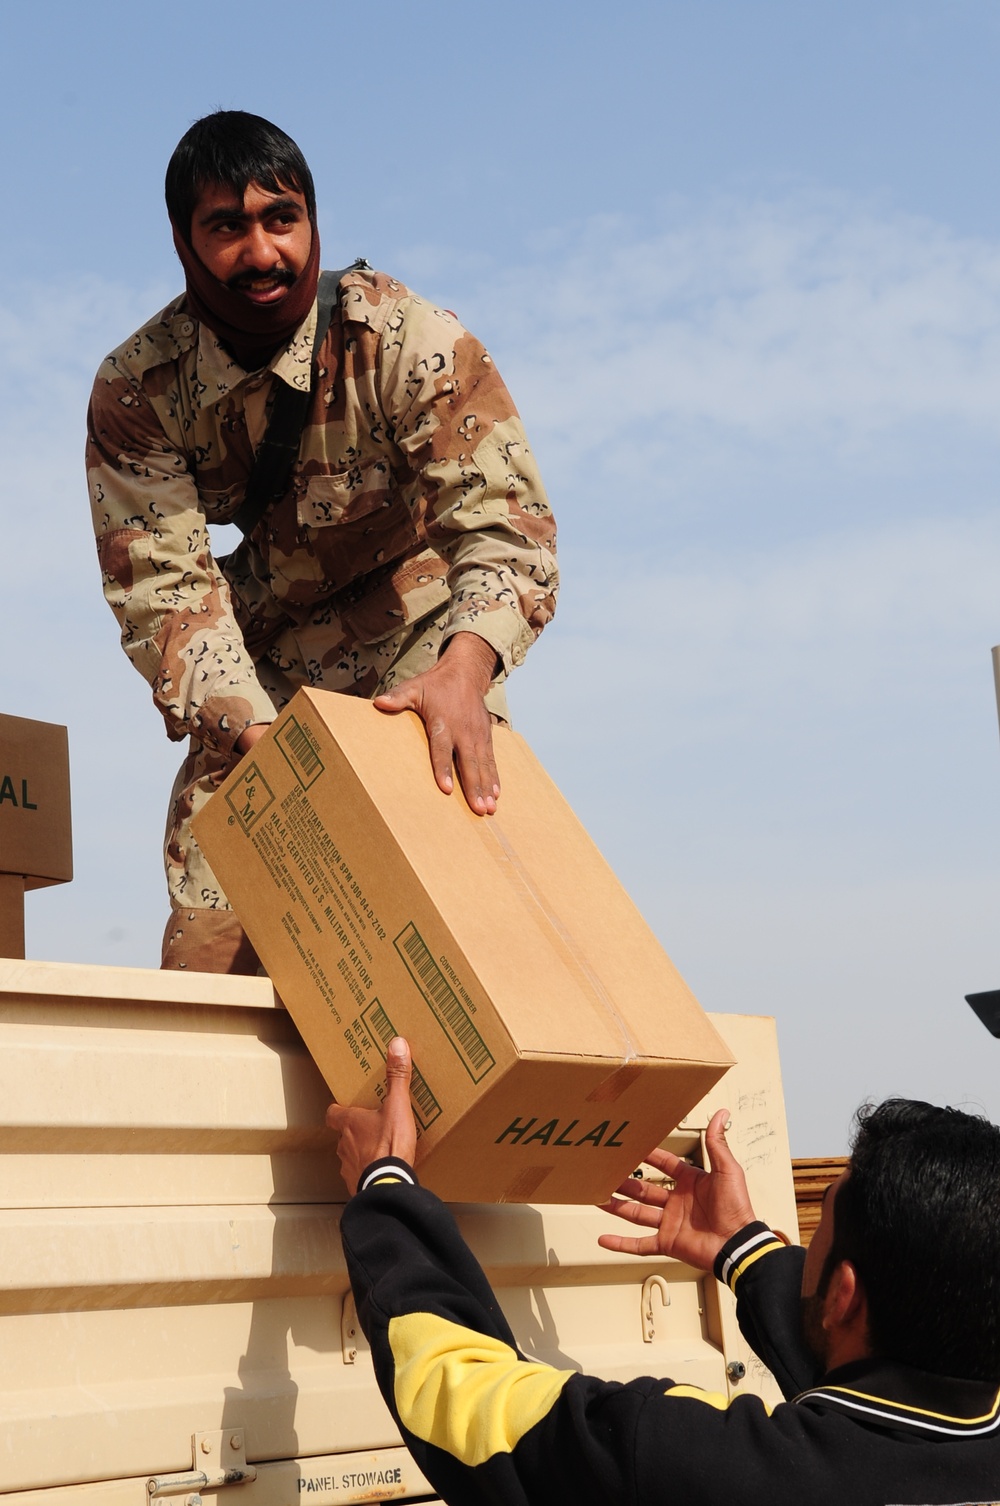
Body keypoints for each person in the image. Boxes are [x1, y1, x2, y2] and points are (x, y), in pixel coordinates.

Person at [86, 111, 558, 975]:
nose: (261, 252)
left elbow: (505, 528)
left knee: (447, 912)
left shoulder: (403, 339)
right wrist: (269, 749)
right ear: (183, 242)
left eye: (281, 219)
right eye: (226, 226)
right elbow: (167, 593)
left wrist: (463, 671)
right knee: (216, 944)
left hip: (414, 634)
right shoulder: (139, 389)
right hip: (261, 662)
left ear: (313, 223)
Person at [330, 1038, 1000, 1506]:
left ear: (845, 1296)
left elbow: (459, 1399)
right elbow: (870, 1399)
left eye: (820, 1229)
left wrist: (386, 1183)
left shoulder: (690, 1461)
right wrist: (742, 1249)